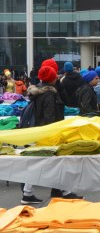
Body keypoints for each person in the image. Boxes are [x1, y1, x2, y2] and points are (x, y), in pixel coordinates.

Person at [21, 65, 83, 204]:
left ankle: (28, 192)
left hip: (41, 132)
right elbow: (50, 116)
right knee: (56, 162)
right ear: (52, 78)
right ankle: (64, 191)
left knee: (39, 164)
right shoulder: (49, 94)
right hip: (49, 133)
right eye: (55, 75)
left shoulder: (38, 92)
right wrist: (55, 131)